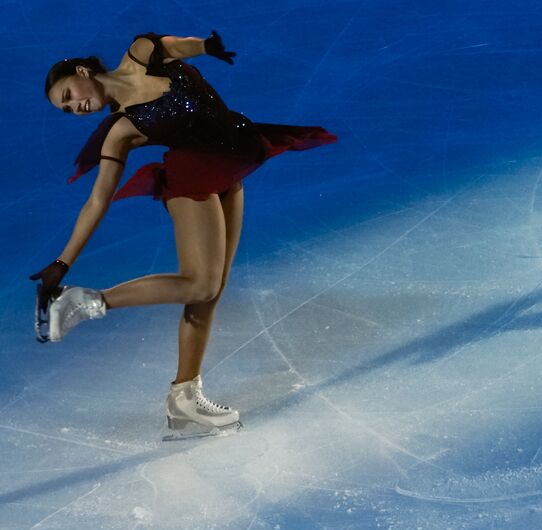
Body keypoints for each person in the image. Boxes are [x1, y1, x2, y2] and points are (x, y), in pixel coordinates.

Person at [31, 31, 337, 438]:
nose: (76, 107)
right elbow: (98, 200)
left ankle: (184, 401)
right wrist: (61, 262)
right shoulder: (121, 130)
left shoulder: (141, 55)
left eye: (69, 95)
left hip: (231, 166)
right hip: (194, 180)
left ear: (83, 71)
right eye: (67, 110)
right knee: (201, 283)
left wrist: (205, 47)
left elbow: (175, 45)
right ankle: (88, 301)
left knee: (211, 292)